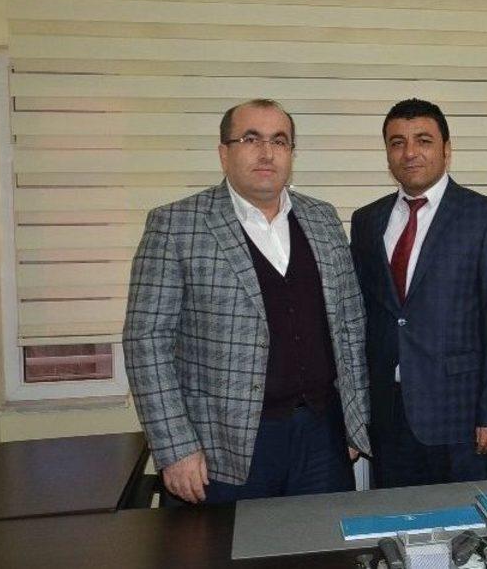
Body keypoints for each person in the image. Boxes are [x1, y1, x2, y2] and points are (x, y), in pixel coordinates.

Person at [124, 99, 369, 504]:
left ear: (291, 153)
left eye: (279, 141)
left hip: (321, 438)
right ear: (224, 153)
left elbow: (350, 327)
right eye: (251, 139)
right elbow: (146, 342)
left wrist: (354, 424)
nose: (267, 152)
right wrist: (176, 447)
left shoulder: (323, 219)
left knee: (321, 542)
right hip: (220, 448)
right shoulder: (176, 226)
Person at [351, 98, 487, 487]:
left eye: (423, 140)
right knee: (396, 519)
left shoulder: (486, 217)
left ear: (447, 149)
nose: (409, 152)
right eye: (397, 142)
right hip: (388, 415)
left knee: (465, 519)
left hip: (460, 415)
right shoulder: (367, 220)